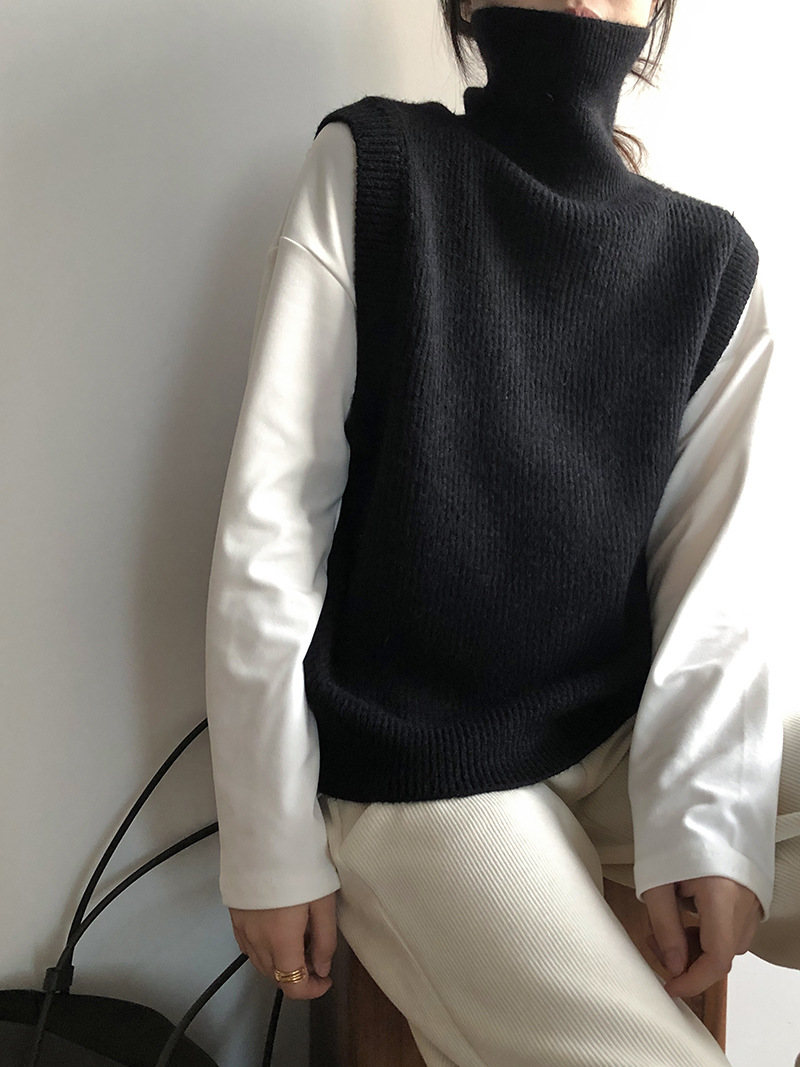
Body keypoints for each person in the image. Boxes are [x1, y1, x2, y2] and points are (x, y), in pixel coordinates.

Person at [204, 1, 800, 1062]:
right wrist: (268, 842)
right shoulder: (377, 167)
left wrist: (705, 824)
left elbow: (709, 582)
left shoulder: (710, 261)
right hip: (422, 761)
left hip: (613, 732)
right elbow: (272, 523)